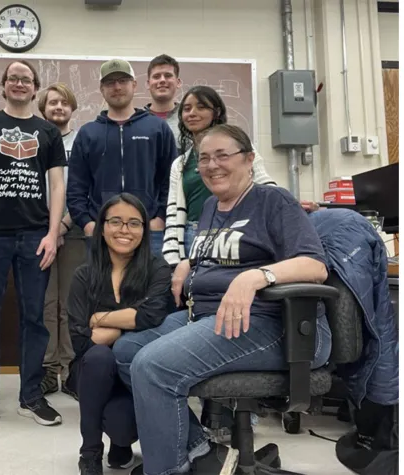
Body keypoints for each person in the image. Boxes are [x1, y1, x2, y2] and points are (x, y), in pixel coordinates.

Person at [110, 124, 333, 475]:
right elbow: (228, 251)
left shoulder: (273, 201)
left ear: (248, 160)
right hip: (206, 315)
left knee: (151, 367)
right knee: (125, 353)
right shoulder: (214, 205)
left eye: (222, 156)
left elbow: (315, 266)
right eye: (204, 159)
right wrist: (190, 261)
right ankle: (202, 454)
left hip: (266, 322)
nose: (212, 165)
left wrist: (256, 277)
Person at [0, 60, 67, 430]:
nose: (20, 83)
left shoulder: (48, 132)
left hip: (35, 234)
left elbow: (57, 186)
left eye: (26, 79)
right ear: (3, 85)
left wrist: (52, 235)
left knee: (34, 318)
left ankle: (31, 397)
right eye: (13, 78)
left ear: (34, 87)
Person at [67, 193, 171, 475]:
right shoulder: (84, 276)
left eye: (134, 223)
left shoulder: (157, 268)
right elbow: (81, 341)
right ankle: (89, 452)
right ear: (102, 227)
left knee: (122, 426)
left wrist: (101, 318)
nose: (124, 230)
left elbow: (152, 316)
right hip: (92, 372)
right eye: (116, 222)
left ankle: (119, 443)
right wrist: (130, 321)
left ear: (144, 229)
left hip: (135, 374)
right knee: (98, 356)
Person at [67, 58, 177, 258]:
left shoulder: (157, 128)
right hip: (102, 232)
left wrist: (160, 217)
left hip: (149, 231)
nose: (117, 87)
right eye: (110, 82)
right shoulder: (88, 133)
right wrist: (87, 223)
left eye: (123, 81)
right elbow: (76, 186)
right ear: (102, 89)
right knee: (102, 289)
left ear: (134, 85)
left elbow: (170, 179)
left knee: (148, 288)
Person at [161, 85, 276, 268]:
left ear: (216, 112)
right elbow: (173, 215)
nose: (192, 113)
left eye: (201, 107)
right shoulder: (180, 164)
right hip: (194, 236)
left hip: (236, 232)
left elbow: (265, 184)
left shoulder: (242, 149)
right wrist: (173, 261)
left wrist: (290, 205)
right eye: (187, 108)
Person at [37, 82, 83, 398]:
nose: (58, 107)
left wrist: (63, 227)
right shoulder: (32, 141)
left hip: (75, 230)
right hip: (38, 232)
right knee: (44, 303)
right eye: (52, 102)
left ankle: (71, 371)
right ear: (43, 108)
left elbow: (86, 189)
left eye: (64, 103)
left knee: (71, 304)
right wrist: (47, 230)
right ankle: (47, 369)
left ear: (72, 108)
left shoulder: (84, 142)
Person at [144, 54, 182, 143]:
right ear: (148, 84)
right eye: (156, 76)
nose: (162, 80)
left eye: (168, 75)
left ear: (178, 82)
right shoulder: (136, 120)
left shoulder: (188, 119)